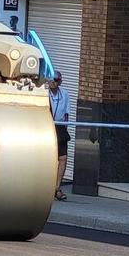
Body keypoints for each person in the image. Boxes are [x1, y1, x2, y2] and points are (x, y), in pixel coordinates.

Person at [49, 71, 71, 201]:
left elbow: (67, 113)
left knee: (63, 158)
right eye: (51, 80)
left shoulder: (65, 94)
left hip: (60, 127)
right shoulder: (44, 94)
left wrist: (65, 128)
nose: (53, 82)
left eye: (56, 80)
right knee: (49, 159)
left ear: (60, 82)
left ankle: (57, 187)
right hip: (47, 126)